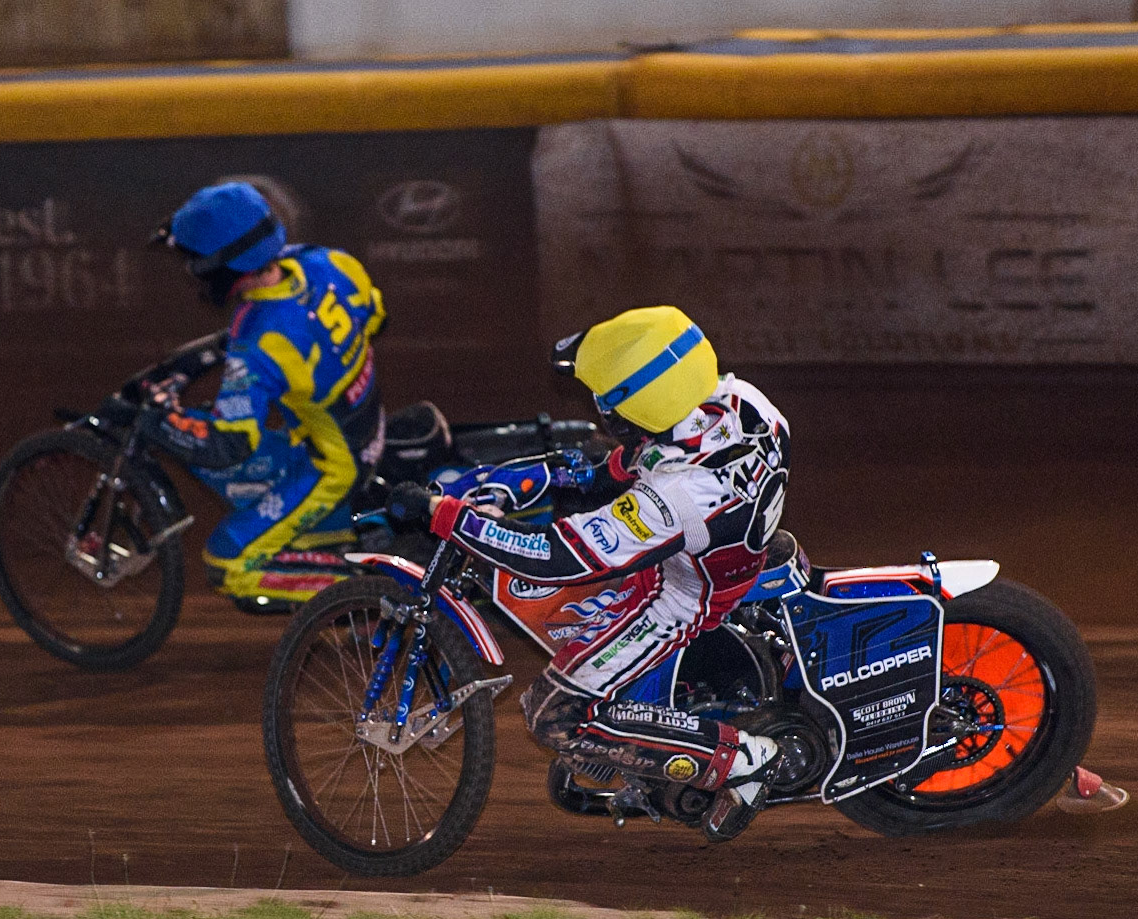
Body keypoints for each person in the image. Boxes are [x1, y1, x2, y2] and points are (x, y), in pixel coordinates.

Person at [387, 305, 792, 841]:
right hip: (729, 544)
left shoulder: (676, 497)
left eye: (610, 399)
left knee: (553, 714)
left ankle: (740, 760)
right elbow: (624, 464)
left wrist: (446, 516)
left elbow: (554, 558)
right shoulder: (742, 403)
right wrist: (539, 477)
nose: (603, 407)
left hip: (681, 596)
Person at [142, 180, 387, 610]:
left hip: (333, 467)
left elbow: (232, 442)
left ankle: (382, 594)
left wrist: (162, 419)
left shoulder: (259, 341)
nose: (192, 271)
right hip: (368, 425)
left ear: (223, 269)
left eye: (195, 262)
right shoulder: (329, 261)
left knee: (226, 563)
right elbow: (377, 317)